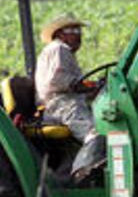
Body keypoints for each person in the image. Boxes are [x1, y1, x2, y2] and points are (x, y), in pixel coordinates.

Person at [34, 14, 105, 179]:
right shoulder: (59, 49)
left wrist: (93, 86)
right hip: (60, 105)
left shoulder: (61, 51)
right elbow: (56, 81)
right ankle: (83, 175)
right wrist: (82, 86)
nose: (78, 34)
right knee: (97, 133)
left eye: (79, 30)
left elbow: (71, 83)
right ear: (59, 34)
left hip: (66, 102)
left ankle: (67, 175)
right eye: (72, 30)